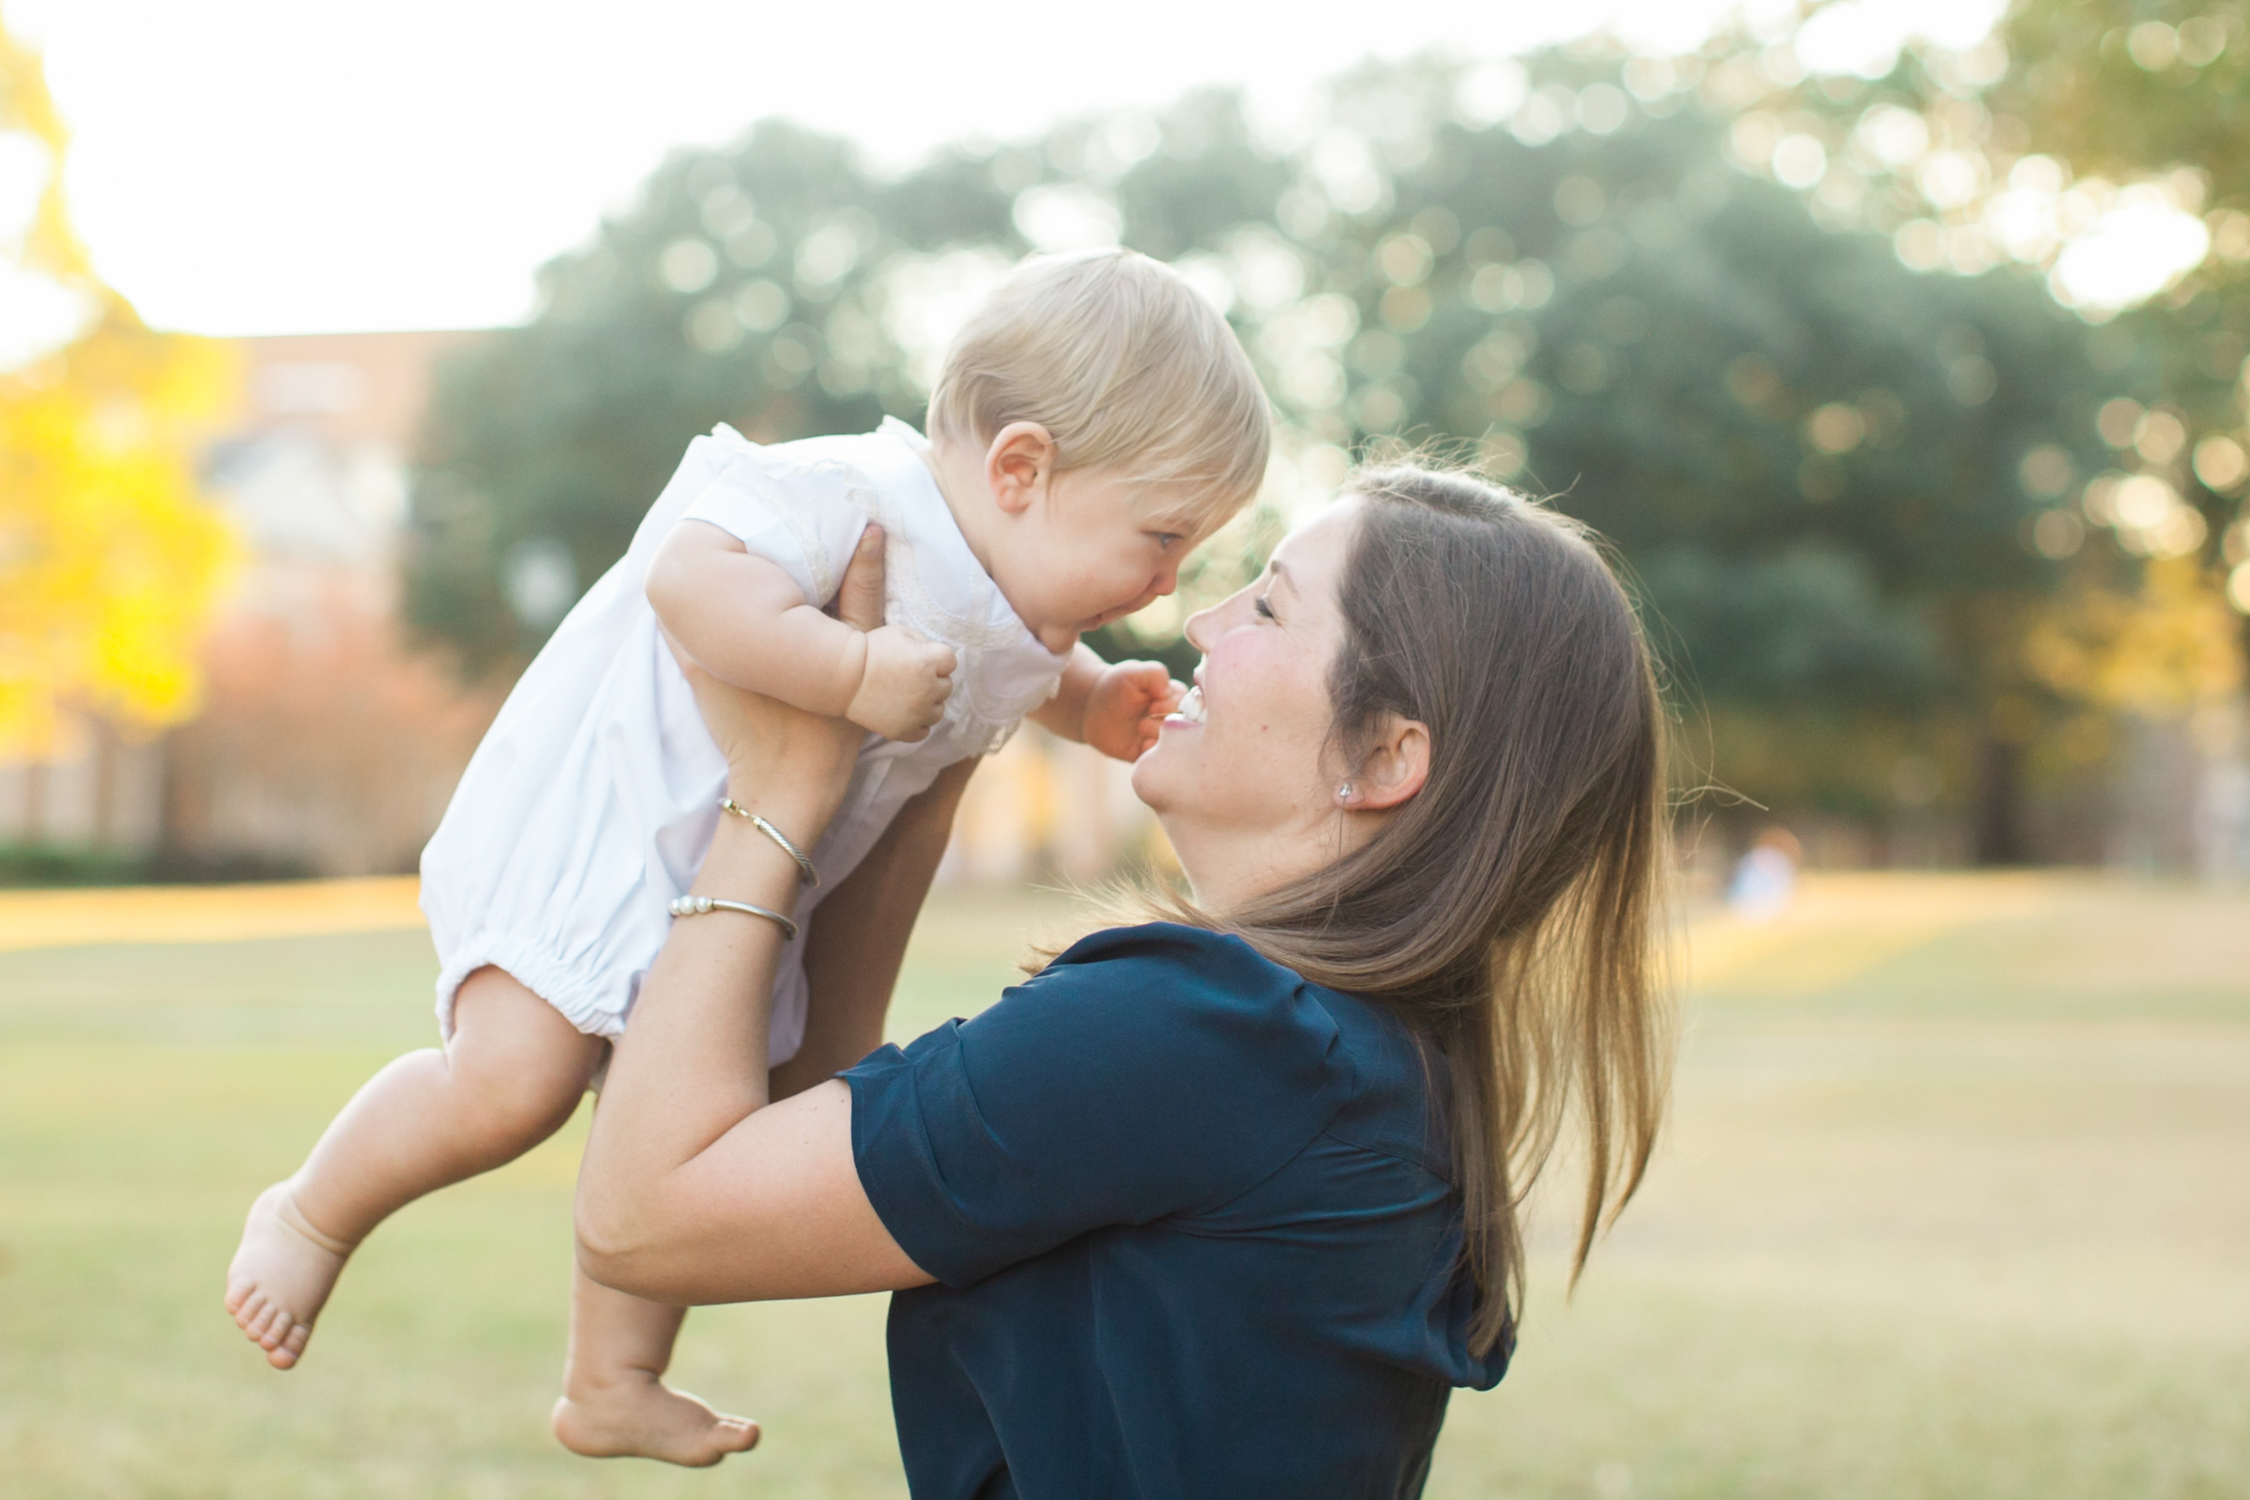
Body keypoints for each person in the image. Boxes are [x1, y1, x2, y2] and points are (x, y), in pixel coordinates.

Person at [222, 247, 1272, 1466]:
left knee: (680, 1121)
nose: (1168, 580)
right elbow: (689, 574)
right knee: (513, 1083)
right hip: (610, 835)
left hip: (747, 886)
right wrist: (847, 672)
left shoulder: (1019, 603)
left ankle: (610, 1378)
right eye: (1160, 537)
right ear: (1021, 467)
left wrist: (1091, 707)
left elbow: (1020, 670)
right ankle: (311, 1210)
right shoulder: (851, 490)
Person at [575, 465, 1676, 1496]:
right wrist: (937, 753)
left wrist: (767, 798)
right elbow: (836, 1120)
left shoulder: (1209, 1033)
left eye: (1271, 608)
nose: (1202, 621)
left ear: (1385, 756)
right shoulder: (1334, 1044)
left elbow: (640, 1223)